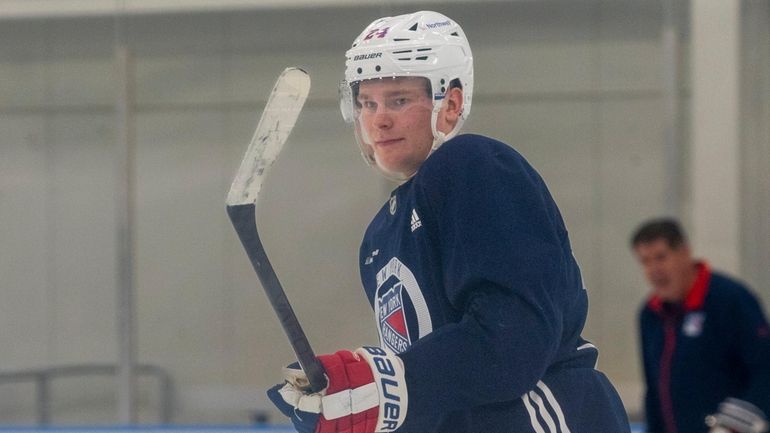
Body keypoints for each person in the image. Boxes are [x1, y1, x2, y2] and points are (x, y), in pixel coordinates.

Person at [267, 10, 630, 433]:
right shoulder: (378, 238)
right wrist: (357, 393)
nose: (378, 119)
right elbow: (444, 383)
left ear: (451, 102)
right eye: (367, 102)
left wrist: (389, 383)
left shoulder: (471, 165)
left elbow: (513, 342)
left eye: (399, 100)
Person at [631, 218, 770, 433]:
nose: (654, 269)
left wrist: (736, 424)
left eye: (661, 257)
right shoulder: (650, 315)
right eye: (645, 261)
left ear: (684, 252)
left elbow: (765, 369)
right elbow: (655, 392)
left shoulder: (729, 299)